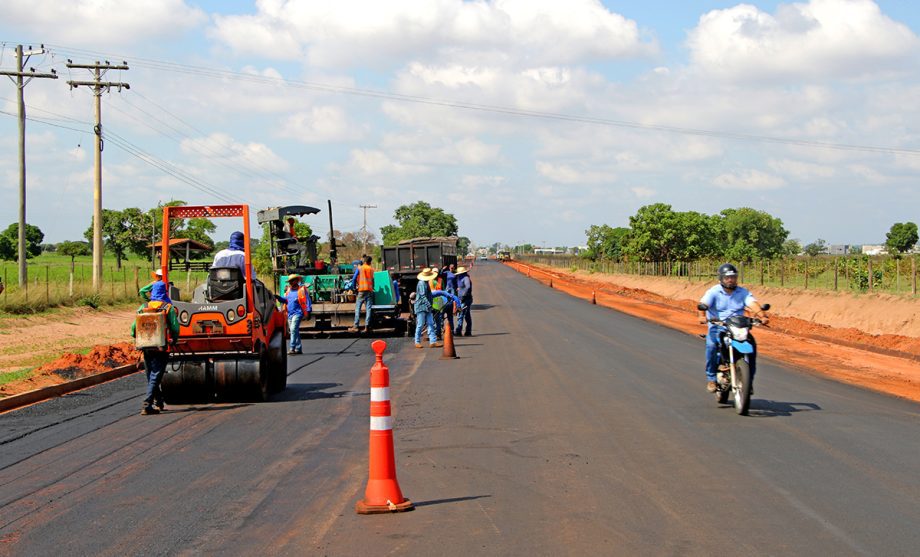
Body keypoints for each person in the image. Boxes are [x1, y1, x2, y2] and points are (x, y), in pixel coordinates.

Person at [697, 263, 769, 393]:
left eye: (733, 277)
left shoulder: (743, 292)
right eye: (727, 277)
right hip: (718, 326)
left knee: (751, 349)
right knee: (712, 346)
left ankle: (748, 382)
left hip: (738, 327)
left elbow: (752, 303)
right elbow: (703, 304)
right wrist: (702, 316)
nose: (730, 280)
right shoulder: (714, 291)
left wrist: (762, 316)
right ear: (721, 279)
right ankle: (712, 378)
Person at [130, 281, 179, 415]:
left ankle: (159, 401)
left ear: (152, 292)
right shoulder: (167, 307)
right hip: (160, 348)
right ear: (165, 292)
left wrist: (136, 337)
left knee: (151, 375)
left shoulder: (143, 306)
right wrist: (174, 339)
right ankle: (147, 404)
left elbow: (134, 328)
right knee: (155, 375)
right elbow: (175, 327)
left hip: (145, 347)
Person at [414, 268, 443, 348]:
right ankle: (417, 341)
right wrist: (429, 305)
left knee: (431, 323)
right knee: (420, 324)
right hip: (421, 306)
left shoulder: (426, 283)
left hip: (427, 306)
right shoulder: (422, 283)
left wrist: (430, 304)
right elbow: (423, 296)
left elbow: (429, 295)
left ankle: (433, 341)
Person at [285, 274, 311, 355]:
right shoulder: (288, 291)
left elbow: (308, 301)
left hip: (298, 313)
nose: (291, 283)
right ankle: (298, 348)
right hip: (290, 314)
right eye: (290, 281)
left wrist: (308, 311)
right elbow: (285, 300)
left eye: (292, 281)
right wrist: (278, 298)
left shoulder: (302, 290)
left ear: (296, 281)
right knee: (295, 331)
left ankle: (292, 348)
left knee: (293, 329)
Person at [349, 255, 375, 333]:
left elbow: (354, 279)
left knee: (358, 308)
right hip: (369, 291)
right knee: (368, 308)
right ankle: (367, 327)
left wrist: (354, 288)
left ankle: (356, 326)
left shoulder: (360, 268)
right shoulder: (371, 269)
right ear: (370, 262)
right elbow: (373, 280)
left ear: (364, 261)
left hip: (361, 291)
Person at [454, 266, 473, 336]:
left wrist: (463, 295)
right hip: (461, 299)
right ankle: (468, 331)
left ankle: (459, 330)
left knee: (461, 314)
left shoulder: (466, 278)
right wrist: (459, 289)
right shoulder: (459, 278)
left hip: (465, 299)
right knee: (466, 315)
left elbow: (468, 287)